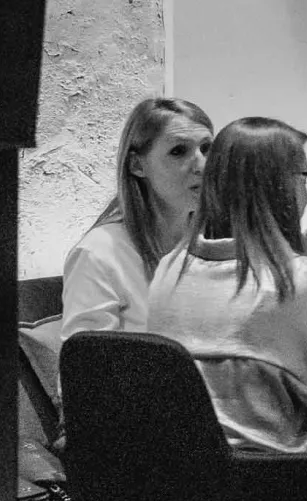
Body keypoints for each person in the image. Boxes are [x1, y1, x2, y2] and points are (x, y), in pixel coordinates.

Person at [143, 118, 307, 454]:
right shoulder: (299, 284)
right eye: (305, 179)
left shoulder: (169, 269)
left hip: (182, 480)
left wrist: (300, 259)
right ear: (281, 188)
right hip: (279, 484)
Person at [62, 96, 213, 336]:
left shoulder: (215, 240)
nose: (202, 166)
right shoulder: (99, 253)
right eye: (178, 151)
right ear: (137, 165)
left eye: (207, 149)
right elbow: (85, 358)